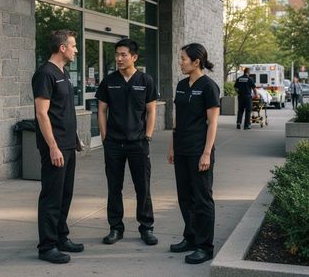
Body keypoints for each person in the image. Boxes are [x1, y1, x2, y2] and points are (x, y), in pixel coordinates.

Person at [95, 38, 158, 246]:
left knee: (143, 187)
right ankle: (115, 228)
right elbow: (102, 110)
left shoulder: (145, 80)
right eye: (117, 54)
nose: (119, 58)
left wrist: (147, 136)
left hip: (138, 143)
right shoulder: (109, 80)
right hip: (114, 143)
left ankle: (146, 227)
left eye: (123, 55)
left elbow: (151, 110)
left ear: (134, 57)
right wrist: (105, 137)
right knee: (114, 188)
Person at [32, 29, 83, 264]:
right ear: (62, 48)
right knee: (52, 196)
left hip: (67, 144)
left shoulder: (63, 72)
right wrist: (52, 146)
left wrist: (74, 138)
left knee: (65, 194)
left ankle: (61, 237)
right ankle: (47, 246)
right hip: (55, 147)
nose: (76, 49)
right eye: (73, 46)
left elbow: (63, 111)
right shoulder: (45, 74)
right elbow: (42, 114)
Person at [168, 43, 220, 265]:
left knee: (202, 199)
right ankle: (189, 238)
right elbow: (177, 120)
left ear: (196, 62)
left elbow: (212, 123)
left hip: (200, 151)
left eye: (183, 59)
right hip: (181, 150)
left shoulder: (209, 87)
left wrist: (207, 153)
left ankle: (204, 246)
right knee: (185, 197)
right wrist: (173, 146)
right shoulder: (181, 85)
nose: (180, 62)